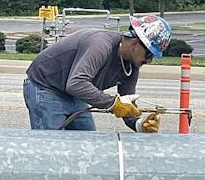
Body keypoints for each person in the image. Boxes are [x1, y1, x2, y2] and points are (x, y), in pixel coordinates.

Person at [23, 15, 172, 133]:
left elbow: (126, 102)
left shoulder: (132, 65)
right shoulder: (101, 44)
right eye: (149, 54)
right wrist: (113, 103)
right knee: (49, 148)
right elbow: (76, 83)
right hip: (45, 87)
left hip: (73, 93)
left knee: (89, 146)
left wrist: (138, 124)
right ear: (135, 43)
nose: (149, 60)